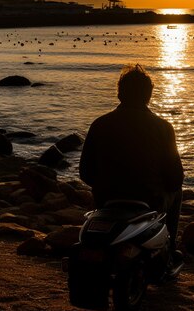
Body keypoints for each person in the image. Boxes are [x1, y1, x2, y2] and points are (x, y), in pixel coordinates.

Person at [79, 64, 184, 252]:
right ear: (149, 95)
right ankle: (169, 248)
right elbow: (175, 179)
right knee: (178, 192)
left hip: (107, 198)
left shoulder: (100, 124)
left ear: (119, 93)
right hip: (149, 199)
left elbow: (85, 172)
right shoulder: (163, 127)